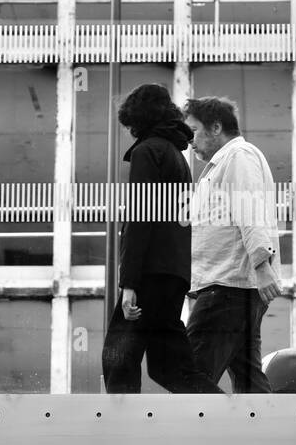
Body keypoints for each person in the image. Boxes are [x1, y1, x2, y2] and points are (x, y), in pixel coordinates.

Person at [101, 84, 224, 394]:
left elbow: (141, 220)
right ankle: (219, 413)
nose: (128, 128)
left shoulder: (148, 152)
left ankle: (122, 431)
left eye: (129, 121)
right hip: (173, 273)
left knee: (118, 357)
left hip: (150, 274)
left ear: (138, 118)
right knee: (168, 366)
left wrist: (130, 284)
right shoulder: (176, 155)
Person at [183, 96, 282, 393]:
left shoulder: (238, 156)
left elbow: (248, 210)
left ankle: (195, 437)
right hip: (231, 287)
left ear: (215, 127)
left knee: (189, 375)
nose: (190, 141)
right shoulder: (219, 165)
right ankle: (265, 434)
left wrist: (261, 265)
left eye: (194, 131)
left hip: (228, 287)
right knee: (249, 379)